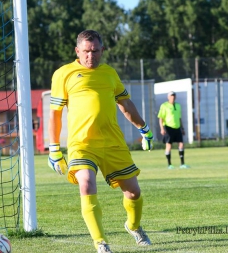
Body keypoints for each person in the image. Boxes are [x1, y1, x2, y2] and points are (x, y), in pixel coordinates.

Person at [47, 30, 153, 253]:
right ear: (77, 51)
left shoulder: (109, 73)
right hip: (82, 144)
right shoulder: (63, 74)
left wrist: (144, 128)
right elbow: (55, 114)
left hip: (113, 142)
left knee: (134, 192)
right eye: (86, 51)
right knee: (86, 182)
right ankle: (101, 243)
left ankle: (133, 226)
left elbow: (125, 105)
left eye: (95, 51)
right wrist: (54, 149)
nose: (90, 56)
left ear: (102, 50)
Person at [157, 91, 189, 169]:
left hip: (177, 127)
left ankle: (182, 164)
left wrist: (182, 128)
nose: (173, 97)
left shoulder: (178, 105)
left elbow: (179, 118)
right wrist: (162, 128)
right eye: (171, 96)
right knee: (169, 145)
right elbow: (161, 118)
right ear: (168, 97)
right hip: (168, 127)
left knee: (181, 144)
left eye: (174, 95)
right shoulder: (164, 106)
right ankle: (169, 164)